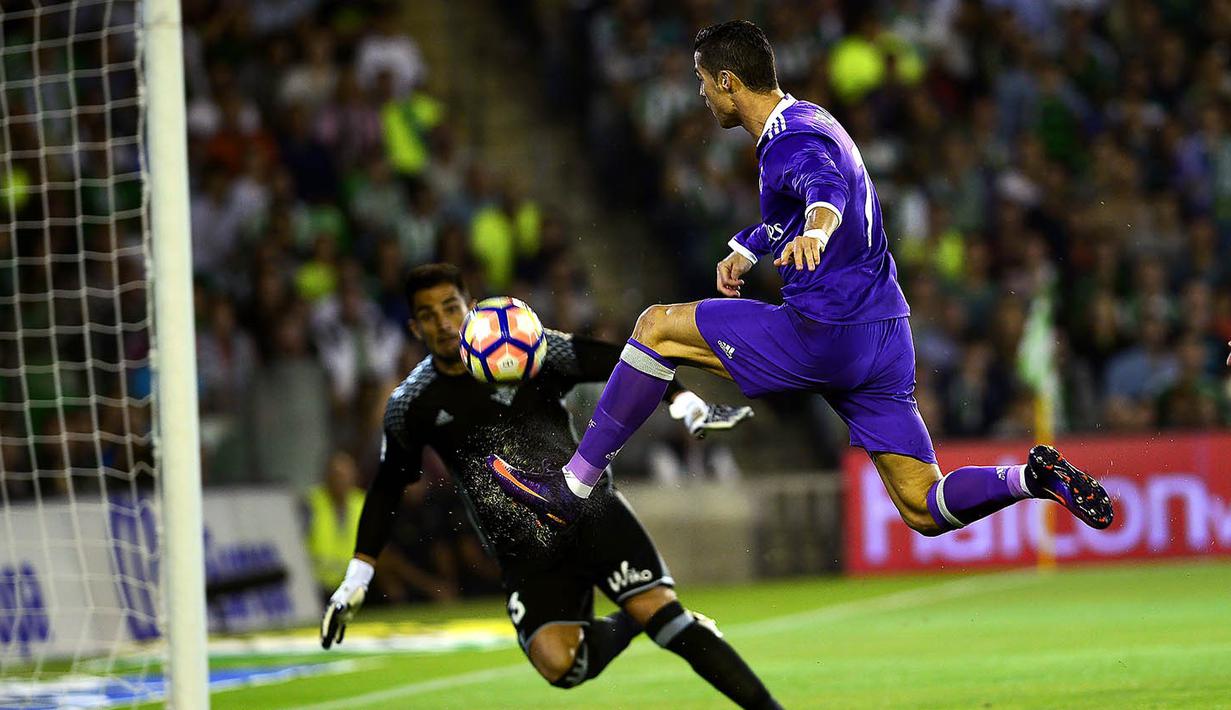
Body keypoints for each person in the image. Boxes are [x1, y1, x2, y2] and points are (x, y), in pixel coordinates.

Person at [491, 20, 1114, 540]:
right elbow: (803, 203)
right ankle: (1029, 480)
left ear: (729, 83)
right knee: (925, 506)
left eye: (704, 84)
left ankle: (571, 487)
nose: (703, 97)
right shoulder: (811, 118)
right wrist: (748, 246)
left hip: (825, 330)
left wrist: (816, 230)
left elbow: (823, 190)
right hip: (884, 334)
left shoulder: (789, 144)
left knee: (656, 329)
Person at [321, 264, 779, 709]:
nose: (442, 322)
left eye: (450, 307)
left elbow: (624, 361)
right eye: (427, 314)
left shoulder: (535, 350)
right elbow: (386, 489)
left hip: (588, 511)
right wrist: (357, 577)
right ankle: (634, 619)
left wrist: (682, 399)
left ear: (470, 307)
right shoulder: (412, 404)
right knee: (561, 666)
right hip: (523, 548)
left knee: (669, 623)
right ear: (414, 327)